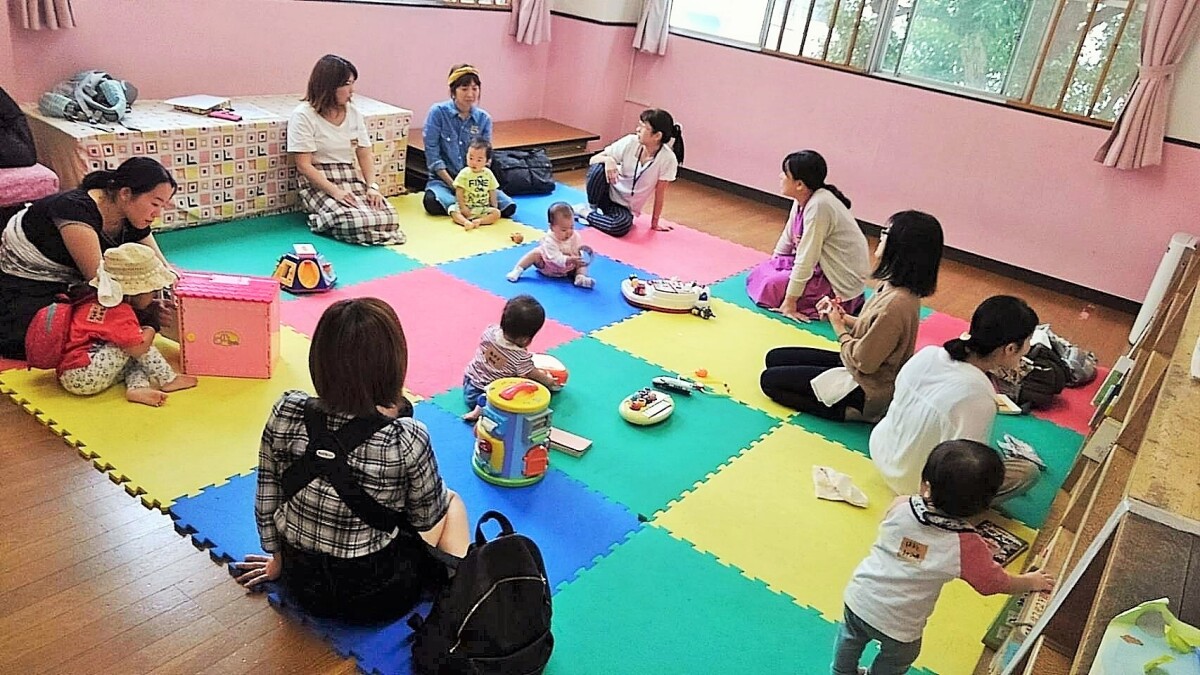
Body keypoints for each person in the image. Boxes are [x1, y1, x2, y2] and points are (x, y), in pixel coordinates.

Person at [235, 298, 469, 621]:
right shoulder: (407, 436)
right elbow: (426, 518)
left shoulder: (285, 410)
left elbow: (266, 498)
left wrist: (277, 562)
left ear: (318, 358)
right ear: (394, 365)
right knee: (452, 501)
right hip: (378, 596)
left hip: (301, 584)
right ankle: (460, 606)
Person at [832, 440, 1055, 675]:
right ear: (986, 503)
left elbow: (903, 537)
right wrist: (1031, 581)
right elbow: (992, 584)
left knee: (850, 638)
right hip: (900, 626)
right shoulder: (965, 544)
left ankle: (841, 672)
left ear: (926, 485)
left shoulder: (901, 504)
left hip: (859, 598)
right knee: (898, 658)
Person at [760, 211, 943, 423]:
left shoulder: (896, 304)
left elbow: (864, 362)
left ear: (903, 247)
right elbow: (874, 331)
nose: (881, 237)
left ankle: (858, 412)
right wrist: (843, 317)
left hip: (868, 385)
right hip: (858, 363)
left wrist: (839, 328)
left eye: (887, 233)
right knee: (775, 357)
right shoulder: (892, 286)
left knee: (769, 382)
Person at [869, 295, 1043, 503]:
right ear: (1010, 349)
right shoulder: (979, 397)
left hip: (881, 451)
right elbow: (967, 469)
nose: (1028, 348)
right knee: (1028, 472)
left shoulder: (928, 354)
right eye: (1028, 343)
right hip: (917, 487)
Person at [0, 156, 176, 359]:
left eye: (163, 206)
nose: (158, 213)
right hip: (28, 285)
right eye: (155, 203)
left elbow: (163, 270)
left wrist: (161, 297)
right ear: (126, 193)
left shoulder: (132, 216)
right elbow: (101, 285)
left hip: (74, 283)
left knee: (128, 320)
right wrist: (148, 309)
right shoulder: (75, 209)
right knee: (49, 339)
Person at [57, 243, 197, 407]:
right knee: (137, 344)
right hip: (87, 374)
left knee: (135, 359)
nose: (153, 296)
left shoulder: (94, 300)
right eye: (152, 291)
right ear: (134, 293)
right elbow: (137, 348)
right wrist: (152, 326)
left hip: (70, 374)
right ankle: (168, 379)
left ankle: (137, 388)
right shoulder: (120, 312)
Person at [289, 54, 404, 246]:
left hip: (349, 176)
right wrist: (335, 192)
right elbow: (304, 165)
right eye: (347, 84)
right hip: (320, 181)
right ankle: (320, 221)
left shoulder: (354, 114)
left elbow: (364, 153)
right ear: (330, 86)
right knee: (352, 220)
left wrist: (372, 187)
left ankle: (361, 230)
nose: (352, 90)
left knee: (390, 217)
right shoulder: (303, 115)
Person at [746, 150, 870, 321]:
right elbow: (788, 236)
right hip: (818, 268)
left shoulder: (820, 205)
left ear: (799, 185)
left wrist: (790, 302)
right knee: (761, 272)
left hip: (836, 281)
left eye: (785, 174)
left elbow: (807, 257)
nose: (780, 176)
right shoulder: (802, 199)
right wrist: (775, 263)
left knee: (770, 285)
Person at [422, 64, 516, 219]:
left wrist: (478, 187)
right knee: (431, 203)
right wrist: (455, 185)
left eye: (474, 88)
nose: (470, 94)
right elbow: (433, 155)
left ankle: (462, 210)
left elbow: (486, 155)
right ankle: (460, 206)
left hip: (476, 182)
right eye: (464, 89)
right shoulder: (437, 112)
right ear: (453, 91)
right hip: (445, 181)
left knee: (508, 208)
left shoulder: (483, 118)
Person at [578, 108, 684, 237]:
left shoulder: (668, 159)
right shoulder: (630, 141)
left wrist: (654, 223)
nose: (638, 130)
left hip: (623, 206)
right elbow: (593, 160)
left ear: (657, 136)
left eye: (643, 127)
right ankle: (592, 208)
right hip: (605, 192)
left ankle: (584, 213)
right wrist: (608, 160)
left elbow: (660, 193)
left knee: (620, 226)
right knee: (599, 167)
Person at [461, 295, 561, 423]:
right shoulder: (519, 358)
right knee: (528, 388)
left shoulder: (490, 332)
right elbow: (533, 374)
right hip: (485, 396)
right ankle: (480, 411)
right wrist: (549, 381)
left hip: (469, 381)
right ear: (524, 339)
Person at [507, 201, 594, 288]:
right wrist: (569, 259)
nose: (569, 232)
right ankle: (518, 269)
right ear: (551, 227)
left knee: (581, 264)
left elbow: (577, 250)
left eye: (571, 227)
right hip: (548, 266)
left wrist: (579, 256)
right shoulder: (550, 240)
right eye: (564, 230)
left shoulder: (575, 236)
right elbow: (555, 258)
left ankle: (580, 277)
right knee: (535, 254)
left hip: (567, 270)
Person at [450, 138, 502, 230]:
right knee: (453, 210)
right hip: (467, 207)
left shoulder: (488, 173)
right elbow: (459, 191)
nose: (473, 162)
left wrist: (494, 206)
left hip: (482, 208)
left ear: (487, 161)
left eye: (479, 160)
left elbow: (492, 190)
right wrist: (463, 207)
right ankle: (465, 222)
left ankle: (480, 221)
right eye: (471, 158)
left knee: (496, 213)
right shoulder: (464, 173)